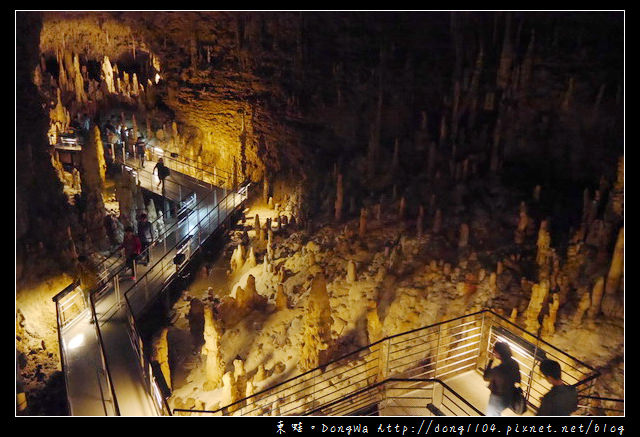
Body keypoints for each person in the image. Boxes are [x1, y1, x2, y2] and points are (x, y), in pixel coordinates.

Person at [483, 341, 521, 416]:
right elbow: (518, 379)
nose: (494, 353)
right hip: (509, 395)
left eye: (495, 352)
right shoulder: (515, 363)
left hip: (497, 398)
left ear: (499, 353)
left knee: (492, 415)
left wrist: (491, 361)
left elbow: (486, 377)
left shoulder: (498, 369)